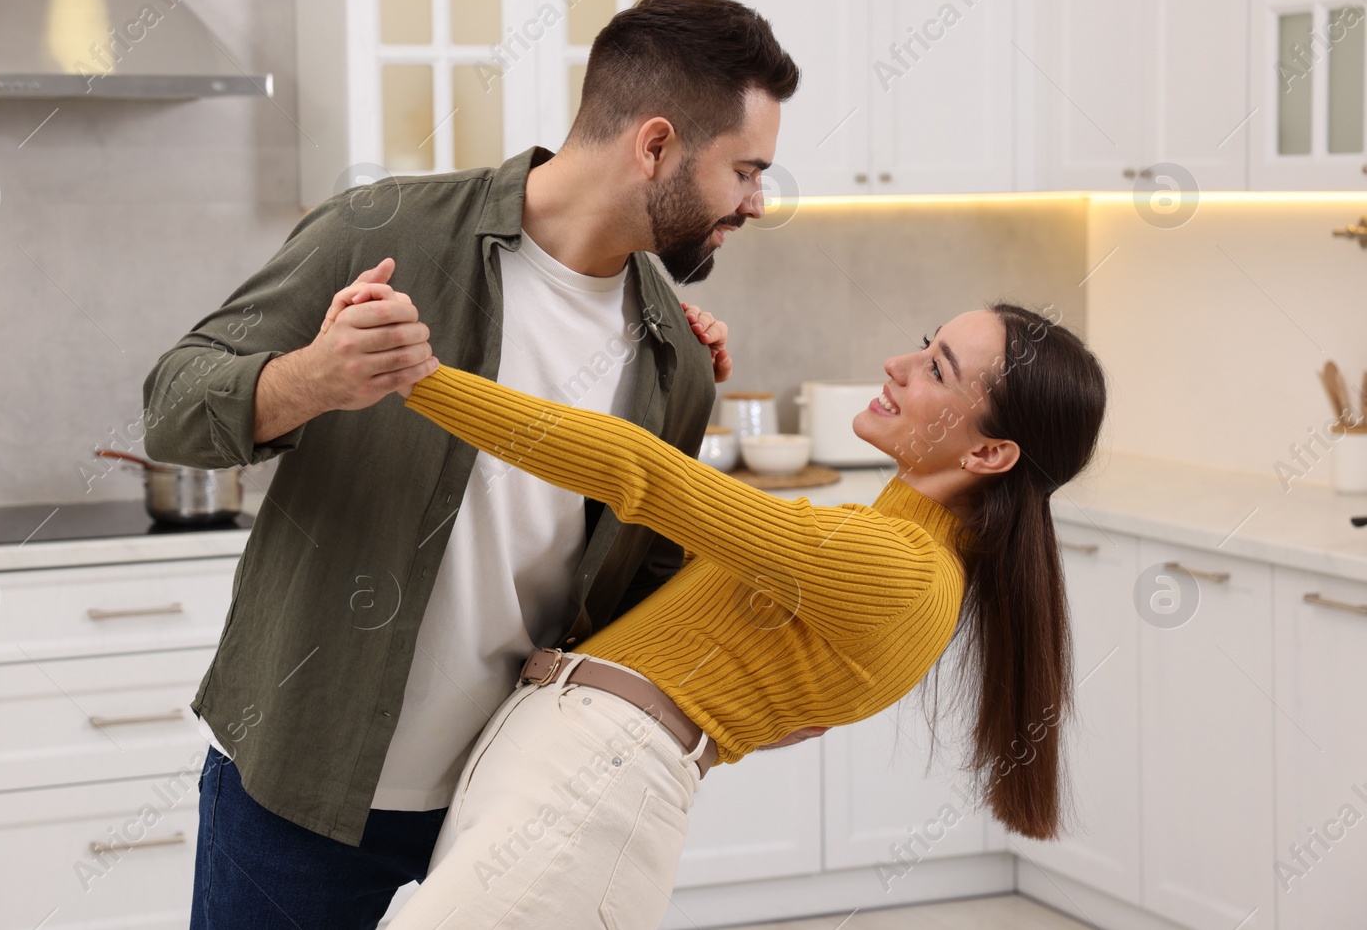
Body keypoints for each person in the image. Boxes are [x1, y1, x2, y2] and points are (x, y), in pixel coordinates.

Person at [141, 0, 800, 928]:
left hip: (517, 800)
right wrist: (314, 377)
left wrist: (768, 675)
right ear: (654, 145)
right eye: (745, 169)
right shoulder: (386, 232)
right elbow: (172, 401)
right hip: (303, 783)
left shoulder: (679, 355)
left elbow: (644, 595)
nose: (757, 201)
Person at [321, 299, 1105, 929]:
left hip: (587, 787)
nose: (898, 364)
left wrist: (417, 378)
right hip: (568, 776)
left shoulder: (895, 566)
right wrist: (683, 371)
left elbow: (646, 479)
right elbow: (681, 551)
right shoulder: (873, 546)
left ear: (989, 453)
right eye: (924, 342)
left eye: (937, 368)